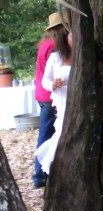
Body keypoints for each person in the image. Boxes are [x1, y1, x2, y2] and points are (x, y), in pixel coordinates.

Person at [32, 13, 67, 188]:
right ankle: (40, 175)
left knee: (46, 134)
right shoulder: (54, 48)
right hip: (51, 96)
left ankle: (42, 173)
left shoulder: (44, 44)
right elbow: (53, 75)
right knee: (51, 134)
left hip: (42, 95)